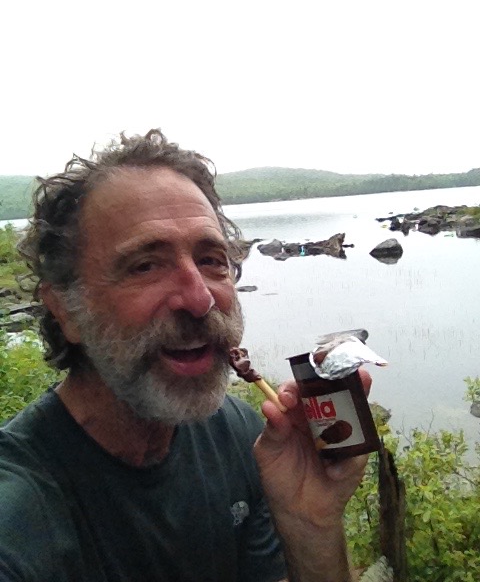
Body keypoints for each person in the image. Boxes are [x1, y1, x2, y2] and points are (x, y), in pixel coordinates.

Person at [0, 129, 370, 582]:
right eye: (145, 266)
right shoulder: (20, 509)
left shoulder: (244, 438)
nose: (200, 299)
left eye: (212, 260)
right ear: (64, 310)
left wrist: (311, 525)